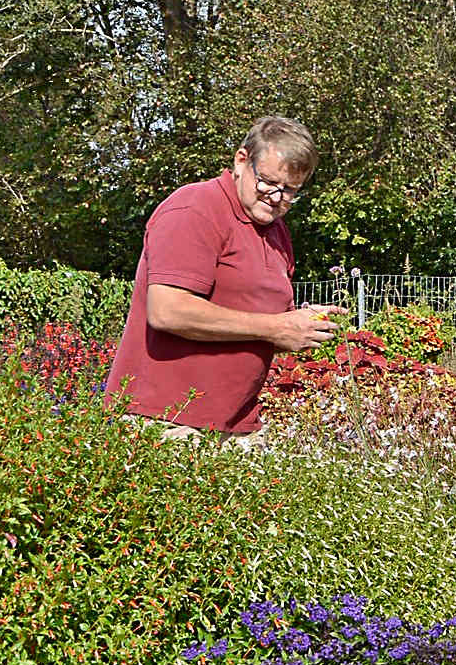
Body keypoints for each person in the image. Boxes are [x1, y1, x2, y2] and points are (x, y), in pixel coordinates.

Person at [103, 117, 341, 439]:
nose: (276, 197)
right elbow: (168, 310)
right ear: (242, 160)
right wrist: (277, 327)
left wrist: (303, 325)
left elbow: (257, 325)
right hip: (165, 421)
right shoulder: (194, 209)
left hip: (235, 425)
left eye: (289, 191)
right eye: (268, 182)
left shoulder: (276, 233)